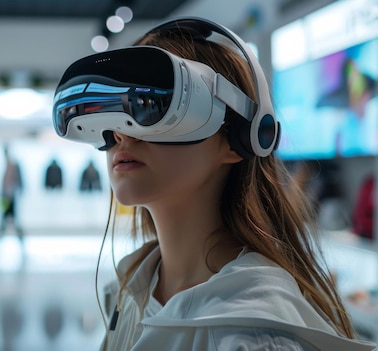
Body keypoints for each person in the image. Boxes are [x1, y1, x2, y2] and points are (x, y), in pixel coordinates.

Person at [51, 17, 375, 350]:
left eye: (155, 106)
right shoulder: (132, 287)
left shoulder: (256, 335)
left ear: (241, 138)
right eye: (116, 113)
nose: (121, 133)